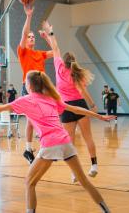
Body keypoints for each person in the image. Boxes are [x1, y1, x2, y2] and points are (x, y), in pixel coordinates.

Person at [0, 70, 114, 213]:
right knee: (84, 181)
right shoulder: (50, 98)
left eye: (25, 81)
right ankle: (106, 210)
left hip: (51, 144)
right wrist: (100, 116)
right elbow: (76, 109)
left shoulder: (26, 100)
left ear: (29, 85)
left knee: (29, 183)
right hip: (66, 142)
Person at [41, 21, 102, 179]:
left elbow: (55, 49)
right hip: (80, 106)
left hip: (66, 108)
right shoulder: (76, 73)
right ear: (74, 61)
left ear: (63, 61)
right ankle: (94, 165)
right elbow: (83, 91)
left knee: (70, 142)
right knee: (88, 137)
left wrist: (50, 34)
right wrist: (93, 105)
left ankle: (75, 172)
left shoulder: (59, 67)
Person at [17, 3, 53, 164]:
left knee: (44, 117)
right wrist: (29, 16)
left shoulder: (40, 54)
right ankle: (29, 147)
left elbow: (56, 52)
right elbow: (24, 33)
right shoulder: (23, 52)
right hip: (29, 88)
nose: (31, 38)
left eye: (33, 37)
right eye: (29, 37)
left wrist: (48, 36)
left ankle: (29, 148)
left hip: (43, 89)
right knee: (32, 119)